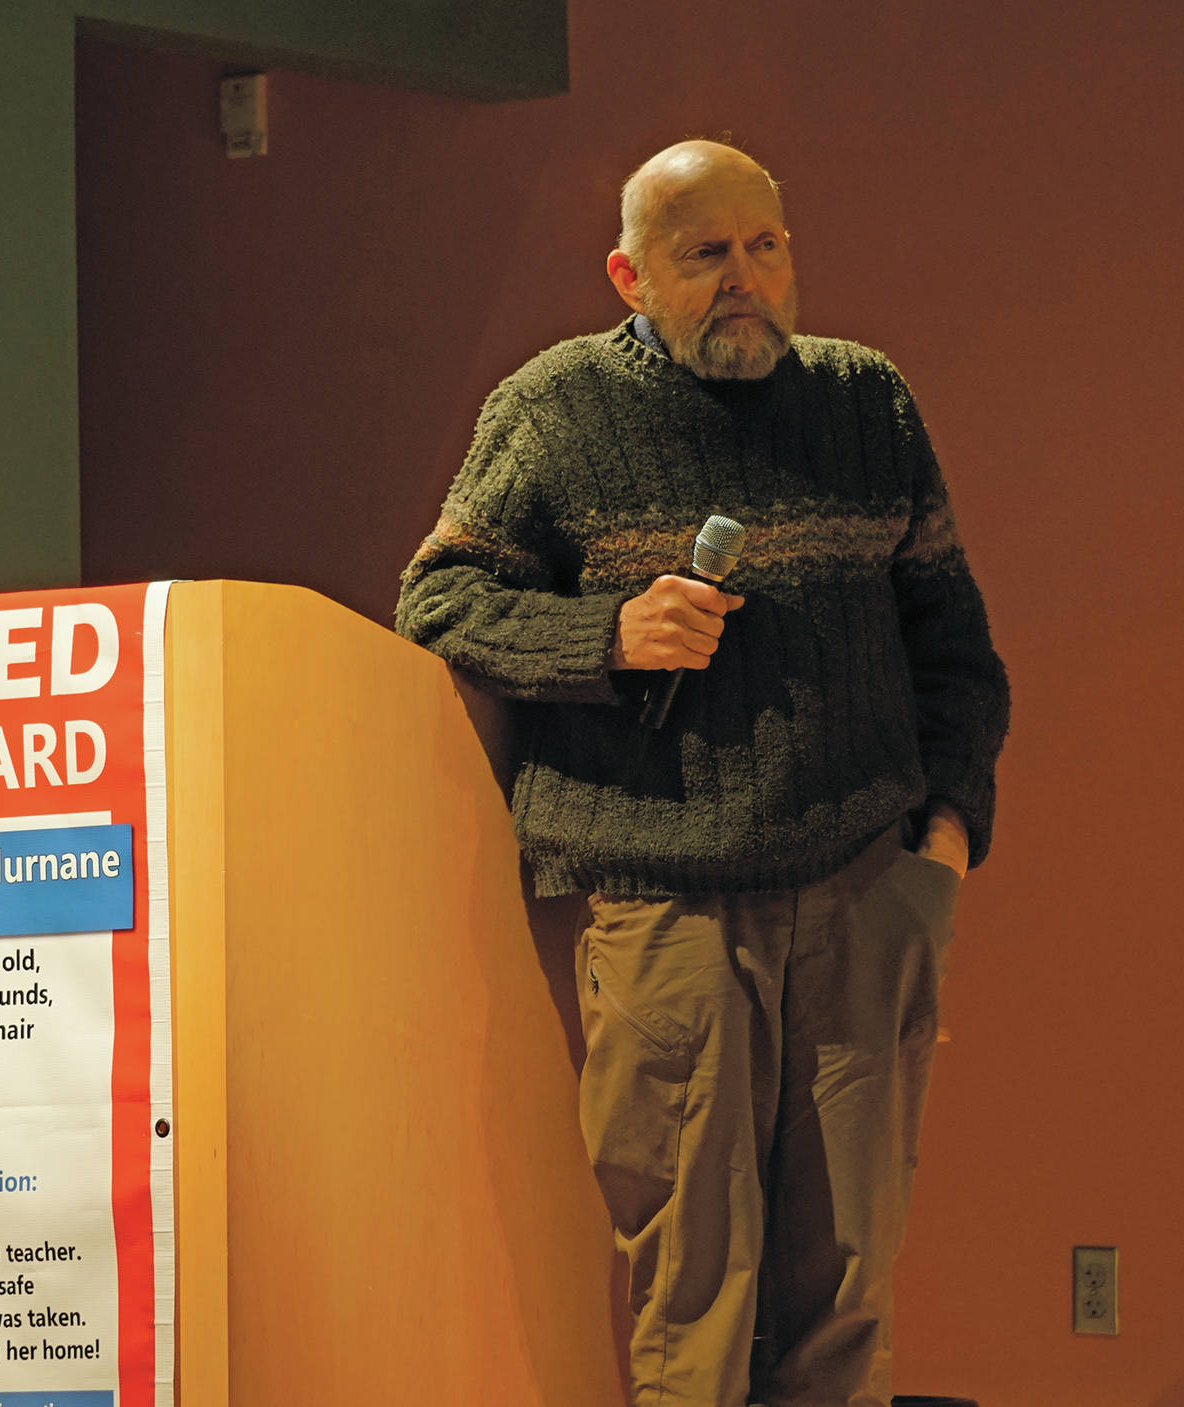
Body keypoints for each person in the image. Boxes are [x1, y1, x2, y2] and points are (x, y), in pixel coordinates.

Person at [394, 139, 1008, 1407]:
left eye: (763, 246)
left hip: (864, 882)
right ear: (628, 274)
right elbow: (435, 598)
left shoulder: (864, 400)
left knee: (845, 1284)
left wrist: (940, 839)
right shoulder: (554, 406)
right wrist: (603, 634)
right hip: (665, 901)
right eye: (704, 254)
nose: (744, 279)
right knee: (693, 1284)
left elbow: (952, 644)